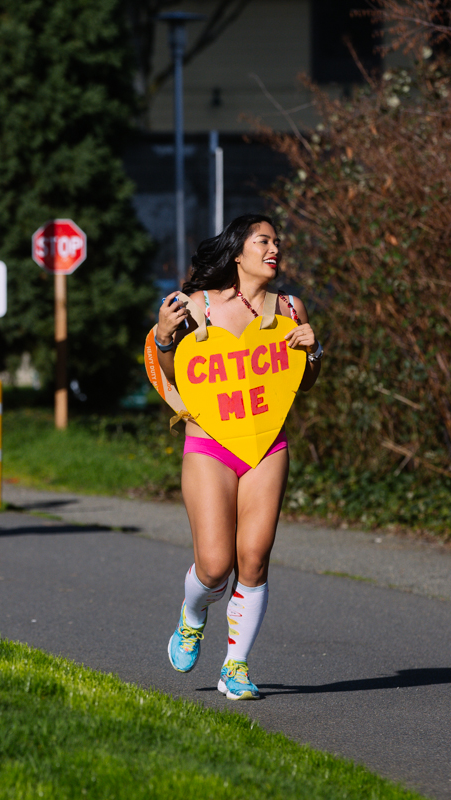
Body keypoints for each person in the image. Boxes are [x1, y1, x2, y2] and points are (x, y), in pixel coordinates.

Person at [153, 215, 322, 700]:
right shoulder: (196, 305)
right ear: (237, 251)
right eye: (263, 241)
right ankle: (192, 616)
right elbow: (176, 373)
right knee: (214, 565)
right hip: (208, 440)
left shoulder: (290, 306)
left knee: (254, 557)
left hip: (267, 442)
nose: (274, 249)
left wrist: (314, 353)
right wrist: (166, 337)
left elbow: (302, 382)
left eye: (277, 242)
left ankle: (237, 667)